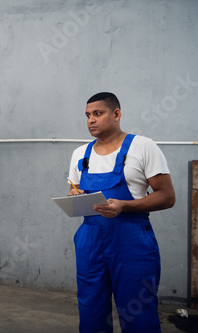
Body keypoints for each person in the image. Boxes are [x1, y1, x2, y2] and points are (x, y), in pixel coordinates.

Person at [67, 92, 176, 332]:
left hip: (131, 239)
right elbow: (75, 190)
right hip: (90, 239)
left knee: (138, 312)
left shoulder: (142, 146)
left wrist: (125, 205)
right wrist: (74, 197)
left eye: (98, 113)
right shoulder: (80, 154)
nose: (90, 120)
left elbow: (167, 196)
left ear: (116, 114)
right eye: (87, 115)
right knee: (91, 310)